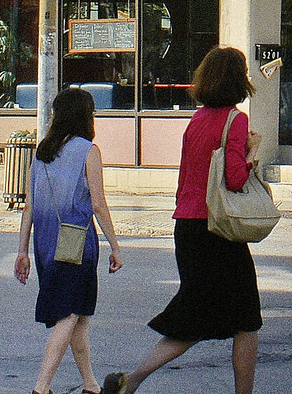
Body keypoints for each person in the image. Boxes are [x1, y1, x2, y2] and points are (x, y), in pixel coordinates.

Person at [102, 47, 263, 394]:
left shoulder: (198, 120)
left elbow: (187, 176)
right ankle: (132, 381)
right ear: (238, 80)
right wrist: (252, 153)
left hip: (187, 228)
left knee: (193, 318)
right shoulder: (236, 121)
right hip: (218, 230)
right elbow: (235, 179)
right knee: (246, 319)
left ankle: (131, 382)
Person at [16, 87, 125, 394]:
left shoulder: (42, 151)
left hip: (45, 242)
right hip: (76, 241)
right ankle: (41, 387)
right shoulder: (88, 151)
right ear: (86, 116)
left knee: (77, 317)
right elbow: (98, 204)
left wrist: (22, 250)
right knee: (71, 314)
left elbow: (29, 205)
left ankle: (90, 383)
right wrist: (115, 246)